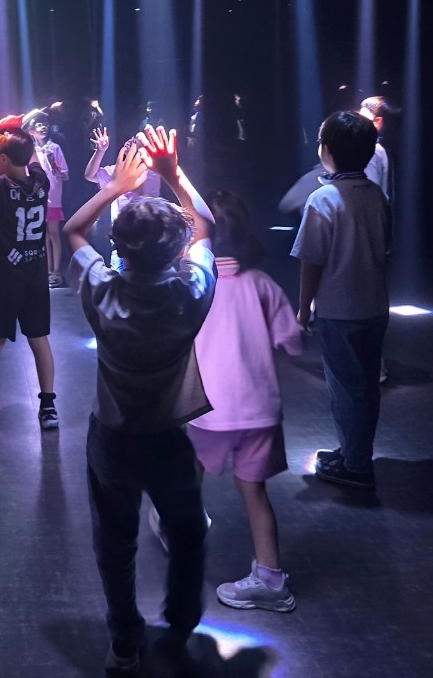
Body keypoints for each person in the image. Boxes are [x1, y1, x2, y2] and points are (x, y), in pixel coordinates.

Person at [64, 126, 217, 674]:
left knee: (115, 542)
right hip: (168, 436)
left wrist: (114, 188)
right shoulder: (190, 292)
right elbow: (206, 225)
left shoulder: (102, 290)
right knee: (187, 530)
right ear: (177, 251)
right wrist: (173, 174)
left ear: (119, 247)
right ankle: (182, 618)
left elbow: (72, 230)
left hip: (112, 435)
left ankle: (124, 641)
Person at [186, 191, 303, 613]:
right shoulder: (263, 284)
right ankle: (271, 580)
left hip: (207, 410)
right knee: (254, 492)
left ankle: (181, 550)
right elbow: (293, 342)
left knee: (188, 477)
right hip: (260, 412)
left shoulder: (195, 285)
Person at [292, 111, 390, 490]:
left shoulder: (322, 199)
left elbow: (311, 262)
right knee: (365, 386)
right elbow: (384, 250)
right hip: (374, 307)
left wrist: (303, 311)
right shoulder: (377, 196)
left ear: (327, 151)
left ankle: (356, 466)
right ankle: (353, 452)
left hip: (338, 310)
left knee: (346, 390)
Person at [0, 117, 58, 431]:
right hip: (36, 277)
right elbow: (32, 155)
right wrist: (21, 135)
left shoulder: (1, 186)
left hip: (6, 279)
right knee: (39, 340)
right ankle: (48, 407)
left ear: (3, 159)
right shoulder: (41, 181)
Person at [83, 126, 163, 271]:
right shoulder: (116, 170)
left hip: (144, 240)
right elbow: (90, 175)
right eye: (130, 139)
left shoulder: (151, 171)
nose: (130, 141)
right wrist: (100, 151)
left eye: (135, 141)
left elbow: (149, 197)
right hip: (121, 241)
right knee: (119, 280)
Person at [29, 119, 69, 288]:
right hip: (37, 196)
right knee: (42, 235)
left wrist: (57, 170)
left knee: (53, 233)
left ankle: (55, 272)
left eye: (45, 124)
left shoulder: (55, 148)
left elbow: (65, 174)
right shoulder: (30, 151)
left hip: (53, 196)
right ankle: (46, 270)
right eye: (38, 125)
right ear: (31, 131)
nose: (43, 127)